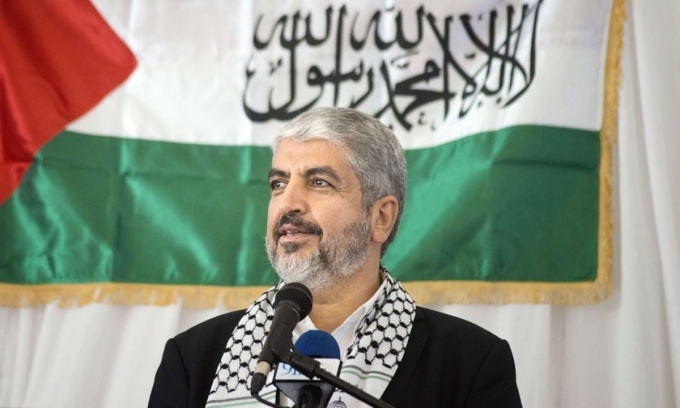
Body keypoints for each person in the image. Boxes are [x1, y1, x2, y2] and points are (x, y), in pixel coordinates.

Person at [149, 107, 522, 407]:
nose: (288, 203)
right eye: (279, 184)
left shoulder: (471, 363)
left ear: (381, 218)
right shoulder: (194, 358)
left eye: (319, 182)